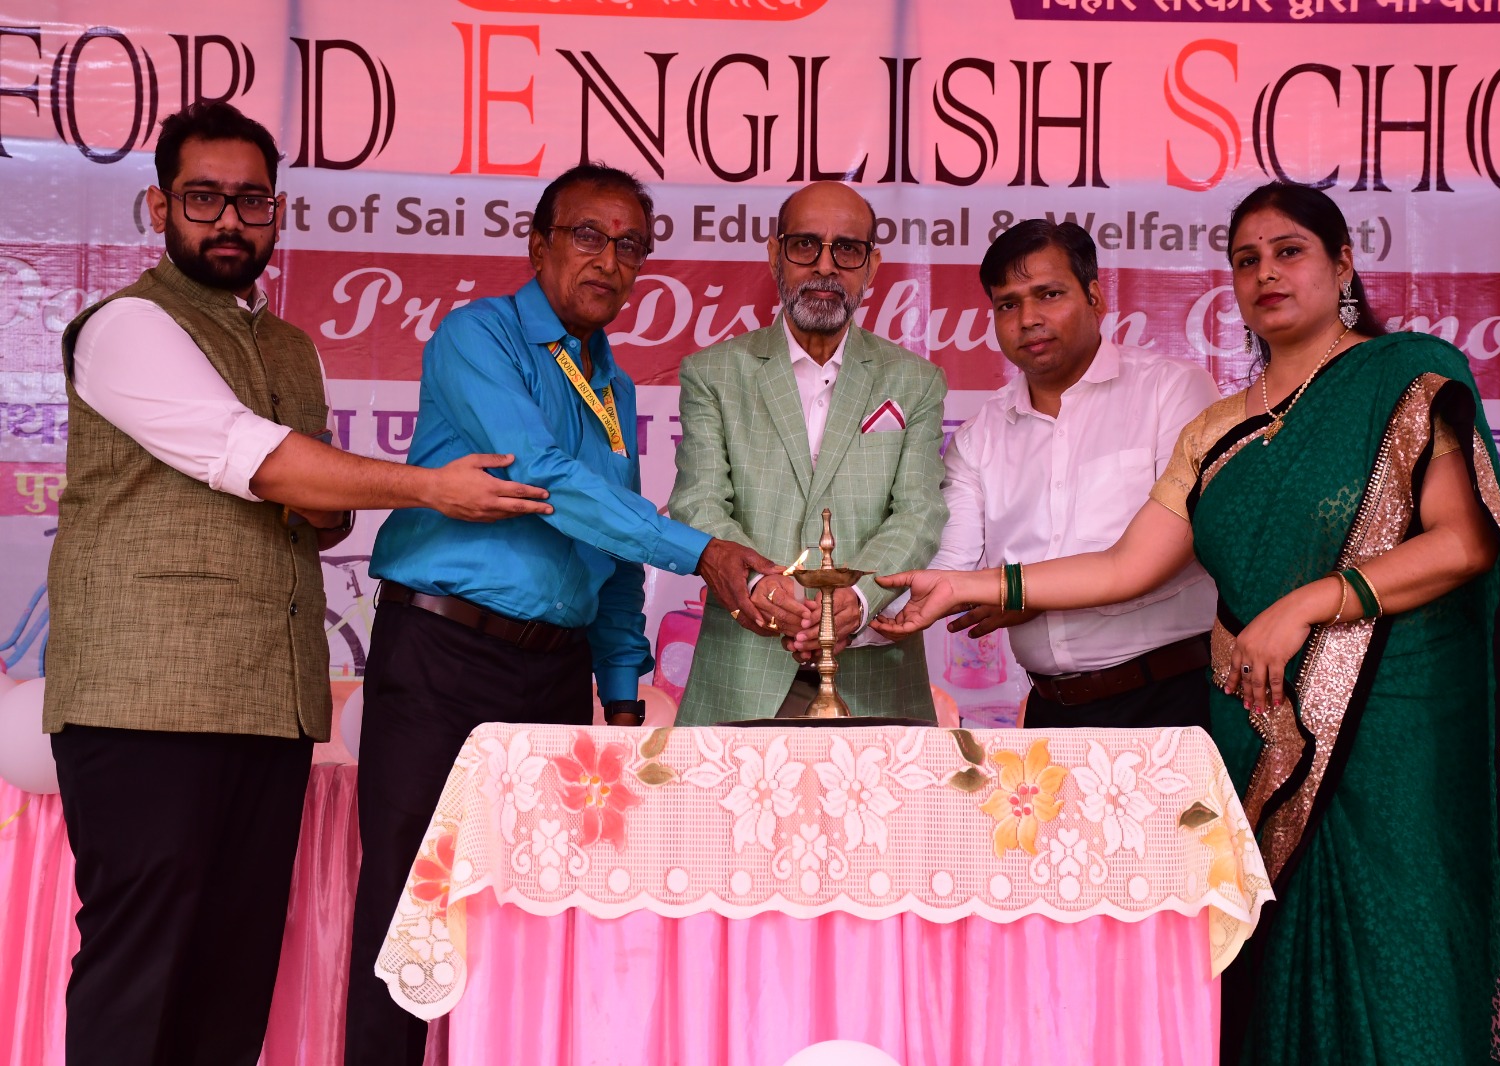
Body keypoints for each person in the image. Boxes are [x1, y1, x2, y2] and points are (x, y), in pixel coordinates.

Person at [875, 181, 1500, 1065]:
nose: (1267, 273)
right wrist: (964, 585)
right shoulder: (1217, 428)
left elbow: (1463, 543)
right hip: (1260, 733)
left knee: (1401, 959)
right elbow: (1126, 565)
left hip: (1393, 734)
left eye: (1289, 251)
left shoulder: (1403, 377)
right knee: (1262, 974)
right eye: (1246, 259)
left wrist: (1304, 605)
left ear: (1342, 263)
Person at [42, 101, 551, 1066]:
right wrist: (427, 487)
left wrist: (314, 492)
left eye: (252, 201)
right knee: (140, 971)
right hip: (143, 705)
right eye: (203, 198)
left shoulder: (291, 347)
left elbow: (320, 512)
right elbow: (258, 458)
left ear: (278, 211)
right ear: (159, 207)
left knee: (232, 982)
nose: (229, 220)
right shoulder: (126, 327)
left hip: (267, 704)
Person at [343, 163, 778, 1066]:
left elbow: (611, 544)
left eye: (631, 247)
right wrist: (701, 551)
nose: (609, 261)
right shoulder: (478, 337)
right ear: (538, 244)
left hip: (550, 675)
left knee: (530, 909)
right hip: (442, 654)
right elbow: (542, 477)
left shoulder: (613, 387)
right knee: (409, 906)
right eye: (588, 236)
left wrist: (619, 690)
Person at [912, 218, 1219, 728]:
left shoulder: (1173, 392)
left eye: (1049, 294)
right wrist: (845, 603)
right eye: (1007, 304)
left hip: (1174, 696)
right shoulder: (978, 436)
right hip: (1050, 710)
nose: (1028, 319)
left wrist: (1016, 590)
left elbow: (1164, 554)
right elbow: (951, 568)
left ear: (1095, 298)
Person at [667, 180, 947, 724]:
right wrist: (760, 585)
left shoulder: (915, 381)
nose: (825, 266)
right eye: (804, 245)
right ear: (775, 254)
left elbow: (919, 512)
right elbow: (698, 501)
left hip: (875, 675)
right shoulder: (714, 374)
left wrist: (859, 600)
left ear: (871, 266)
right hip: (743, 673)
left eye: (847, 249)